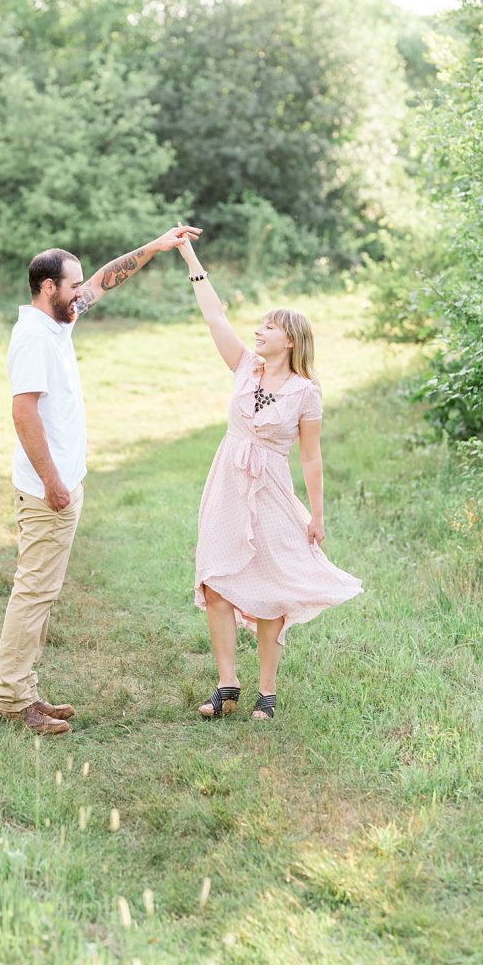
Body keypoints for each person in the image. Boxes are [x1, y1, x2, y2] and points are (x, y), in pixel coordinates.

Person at [0, 227, 201, 734]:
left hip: (61, 483)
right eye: (73, 286)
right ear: (48, 287)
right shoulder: (32, 339)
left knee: (42, 592)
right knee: (34, 592)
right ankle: (13, 701)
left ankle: (26, 692)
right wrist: (54, 482)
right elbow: (24, 415)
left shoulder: (57, 321)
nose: (82, 292)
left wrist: (155, 247)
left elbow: (107, 281)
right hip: (49, 490)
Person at [177, 237, 361, 720]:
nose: (258, 331)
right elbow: (215, 316)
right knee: (215, 580)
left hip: (273, 491)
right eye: (259, 325)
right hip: (227, 484)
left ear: (292, 340)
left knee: (272, 588)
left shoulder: (306, 393)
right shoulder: (243, 368)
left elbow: (312, 458)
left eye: (269, 327)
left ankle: (267, 691)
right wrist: (191, 259)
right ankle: (226, 685)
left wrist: (317, 513)